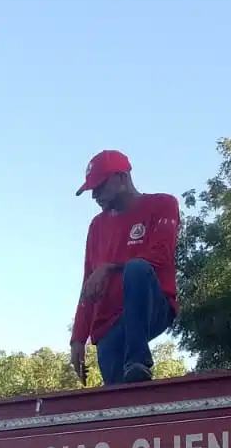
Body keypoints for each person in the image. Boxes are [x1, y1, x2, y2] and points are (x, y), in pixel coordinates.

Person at [69, 150, 181, 387]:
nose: (95, 196)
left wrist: (109, 268)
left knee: (137, 269)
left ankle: (139, 361)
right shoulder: (97, 226)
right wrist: (78, 338)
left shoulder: (162, 204)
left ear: (122, 178)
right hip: (109, 323)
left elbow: (162, 256)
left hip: (153, 305)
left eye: (99, 187)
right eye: (92, 190)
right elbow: (88, 282)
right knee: (121, 397)